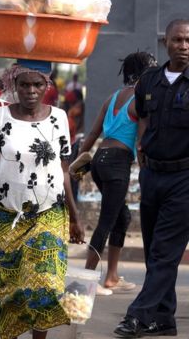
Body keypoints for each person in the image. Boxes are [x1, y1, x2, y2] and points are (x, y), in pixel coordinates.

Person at [0, 62, 85, 339]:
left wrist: (75, 216)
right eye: (24, 85)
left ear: (47, 86)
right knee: (8, 290)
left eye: (37, 85)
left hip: (49, 213)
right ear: (14, 86)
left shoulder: (59, 117)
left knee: (45, 286)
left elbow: (64, 170)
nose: (31, 91)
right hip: (6, 215)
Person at [113, 19, 189, 338]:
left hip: (185, 178)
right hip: (152, 175)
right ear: (165, 42)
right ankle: (163, 318)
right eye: (177, 40)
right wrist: (142, 151)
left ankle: (139, 315)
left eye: (188, 40)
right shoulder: (149, 81)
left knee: (164, 252)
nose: (183, 45)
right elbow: (143, 118)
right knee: (153, 250)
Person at [74, 52, 157, 296]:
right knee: (107, 221)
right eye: (151, 70)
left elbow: (91, 134)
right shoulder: (139, 100)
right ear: (143, 74)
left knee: (121, 218)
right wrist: (146, 175)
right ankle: (88, 280)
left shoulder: (112, 98)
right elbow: (142, 141)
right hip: (118, 163)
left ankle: (111, 277)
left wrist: (80, 159)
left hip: (100, 160)